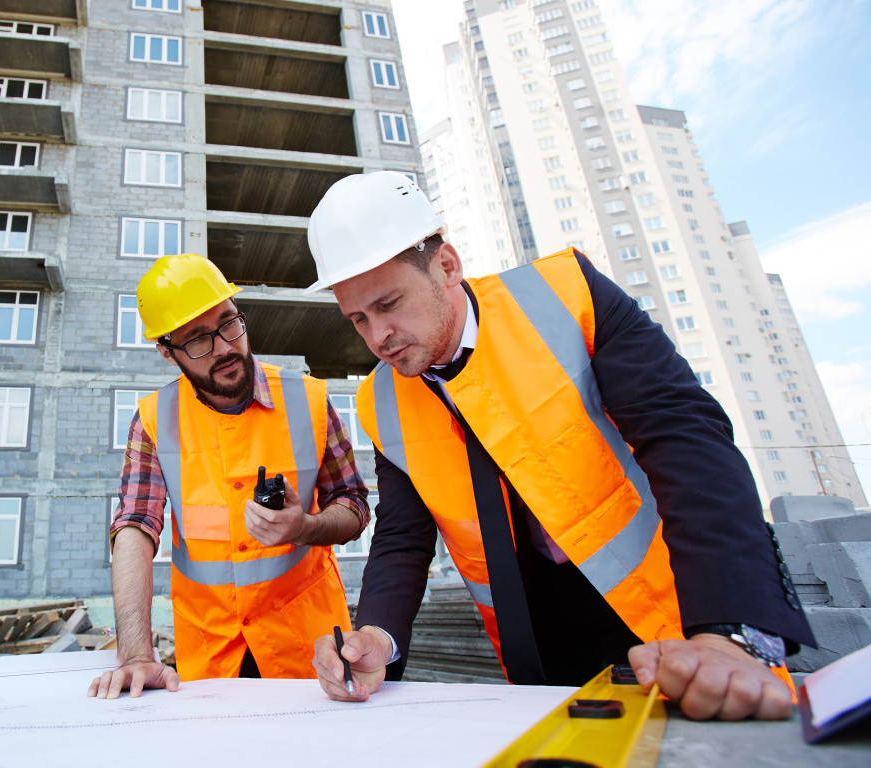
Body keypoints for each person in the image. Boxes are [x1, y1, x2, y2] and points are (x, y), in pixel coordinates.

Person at [304, 171, 815, 721]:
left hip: (674, 617)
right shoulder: (383, 400)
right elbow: (403, 537)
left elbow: (685, 439)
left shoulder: (568, 297)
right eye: (358, 318)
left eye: (389, 304)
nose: (378, 335)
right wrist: (377, 636)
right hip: (537, 647)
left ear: (447, 267)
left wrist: (727, 628)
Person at [88, 253, 370, 699]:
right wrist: (136, 654)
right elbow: (135, 528)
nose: (224, 347)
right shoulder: (153, 420)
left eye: (228, 323)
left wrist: (306, 527)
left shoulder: (310, 401)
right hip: (212, 661)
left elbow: (354, 505)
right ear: (167, 352)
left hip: (311, 656)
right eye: (198, 340)